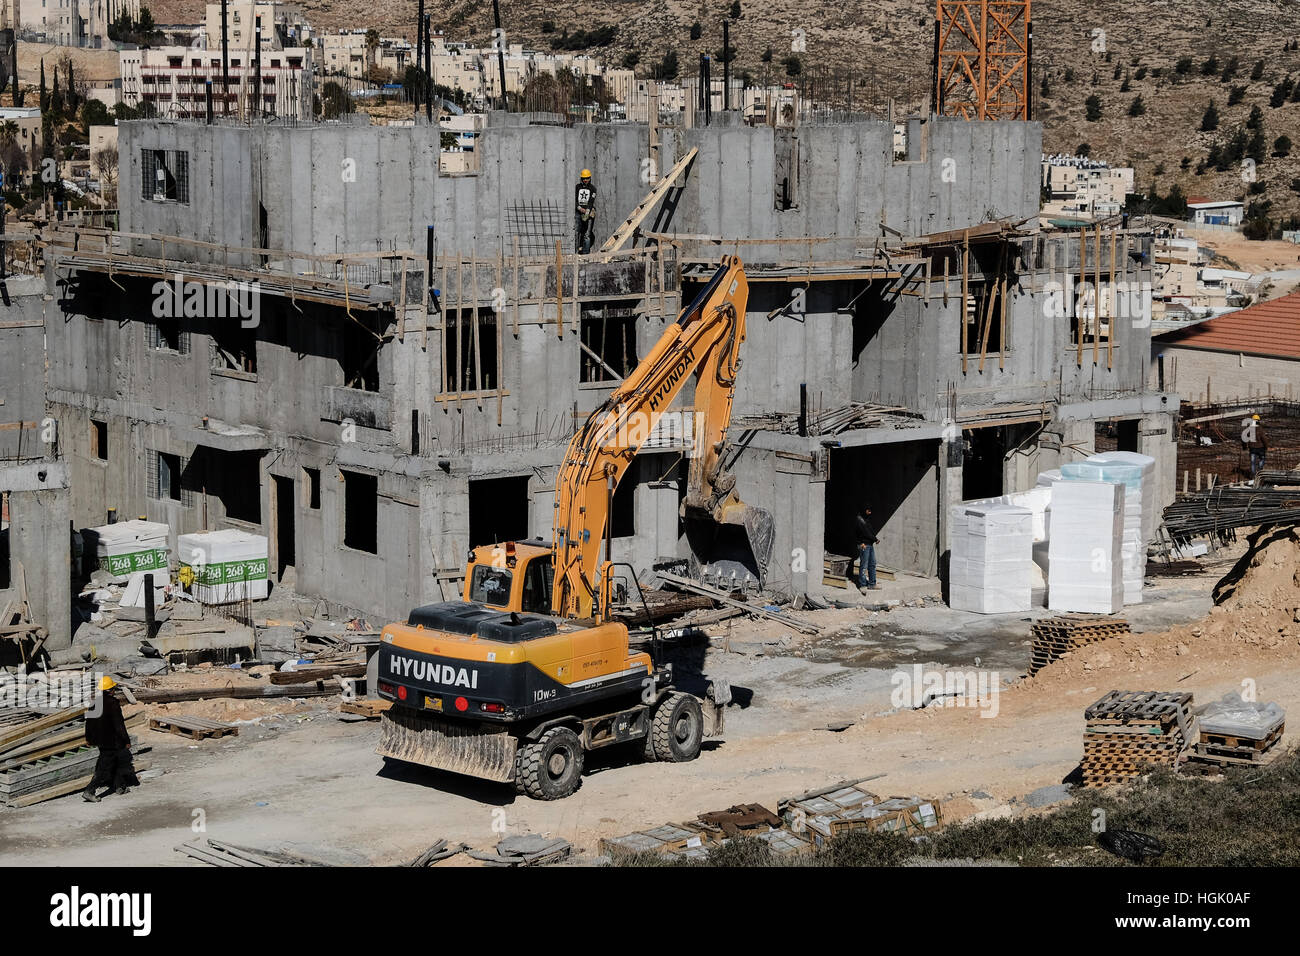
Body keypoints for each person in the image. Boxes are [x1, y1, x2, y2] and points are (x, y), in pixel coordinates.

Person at [82, 676, 137, 802]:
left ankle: (120, 787)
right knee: (104, 767)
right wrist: (126, 740)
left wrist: (89, 738)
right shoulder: (113, 703)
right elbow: (119, 725)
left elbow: (88, 723)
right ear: (110, 690)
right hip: (111, 741)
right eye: (113, 688)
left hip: (100, 740)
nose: (114, 691)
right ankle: (89, 790)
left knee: (115, 762)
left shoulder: (94, 703)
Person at [854, 504, 879, 591]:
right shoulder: (859, 520)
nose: (870, 512)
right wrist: (874, 539)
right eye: (868, 510)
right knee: (864, 565)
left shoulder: (866, 519)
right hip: (863, 544)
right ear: (864, 510)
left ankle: (872, 584)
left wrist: (875, 539)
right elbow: (865, 533)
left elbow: (870, 531)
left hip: (870, 544)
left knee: (872, 564)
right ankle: (862, 585)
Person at [574, 169, 596, 254]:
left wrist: (587, 213)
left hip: (588, 212)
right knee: (577, 232)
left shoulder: (593, 189)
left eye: (587, 178)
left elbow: (591, 202)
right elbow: (574, 200)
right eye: (583, 178)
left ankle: (586, 254)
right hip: (578, 213)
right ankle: (575, 253)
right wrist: (580, 208)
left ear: (590, 178)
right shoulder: (577, 187)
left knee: (587, 234)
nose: (585, 180)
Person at [1244, 413, 1269, 478]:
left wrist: (1245, 446)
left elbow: (1244, 438)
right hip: (1261, 448)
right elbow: (1264, 439)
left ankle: (1253, 475)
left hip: (1252, 448)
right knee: (1262, 459)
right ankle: (1259, 472)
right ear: (1258, 421)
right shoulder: (1260, 429)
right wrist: (1266, 447)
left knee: (1253, 462)